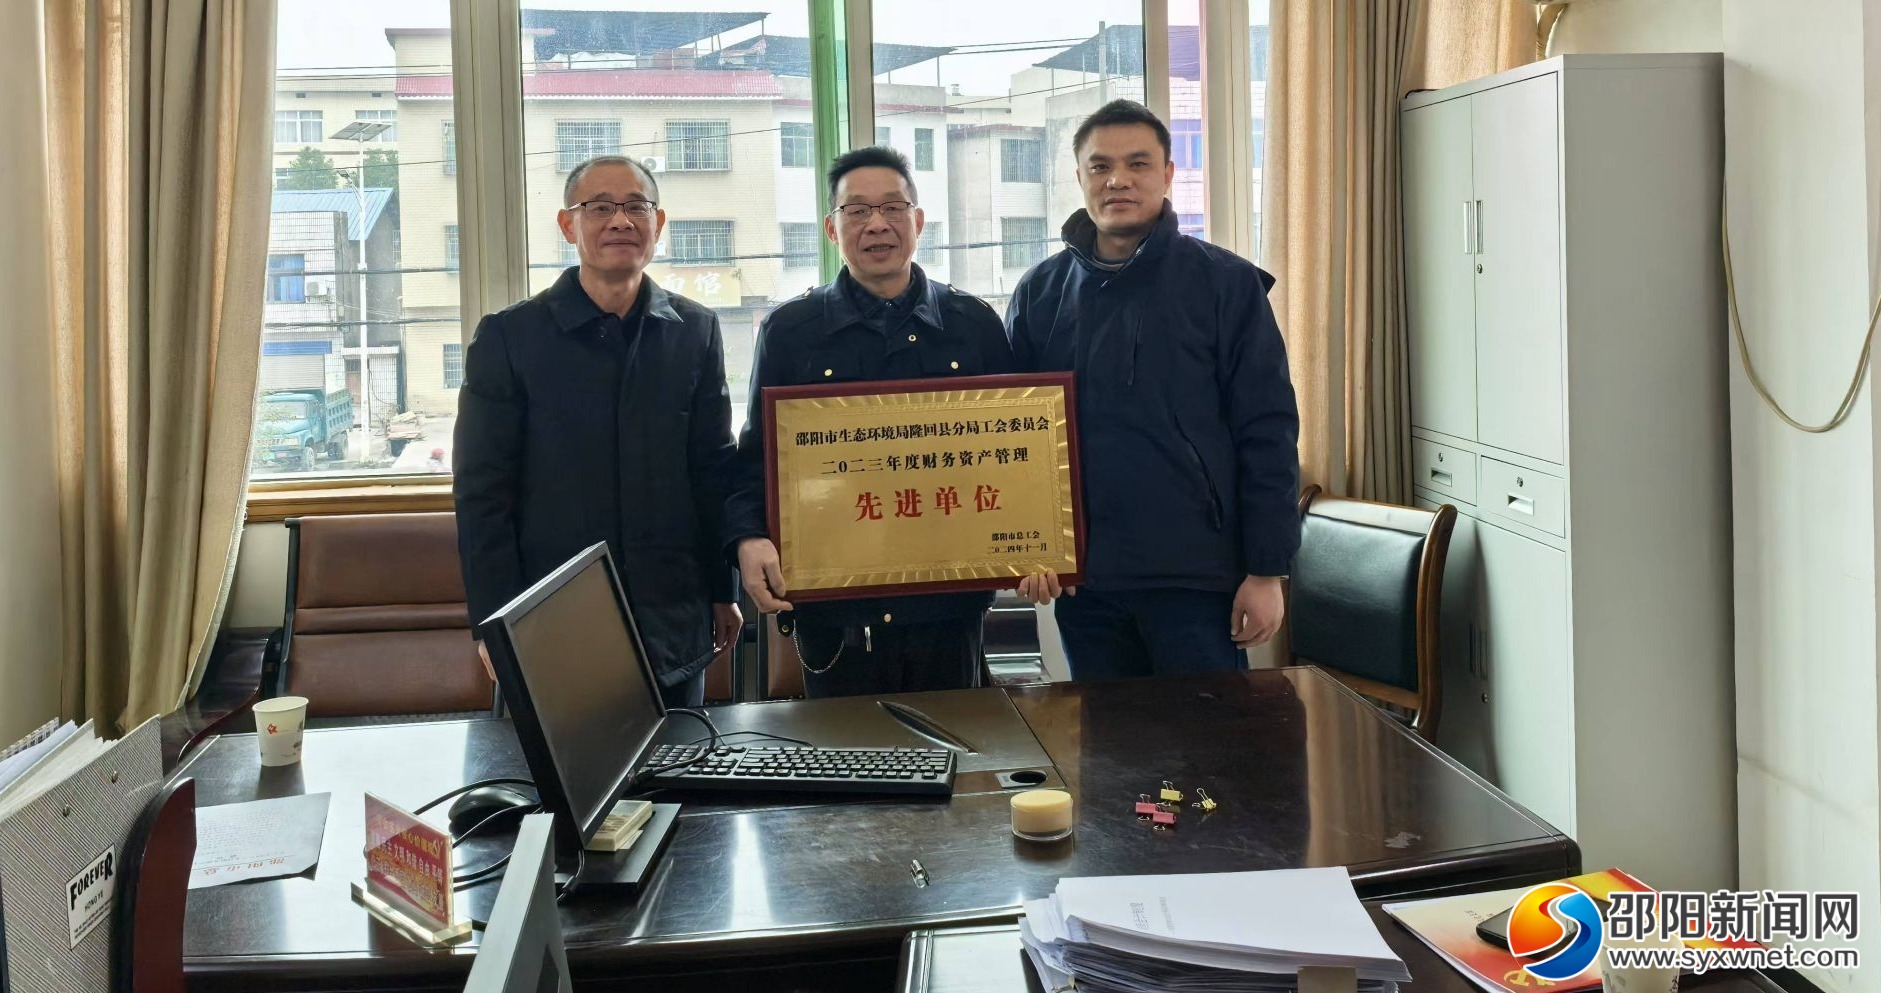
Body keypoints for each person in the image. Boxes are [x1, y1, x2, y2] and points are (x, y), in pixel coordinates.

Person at [1006, 99, 1300, 680]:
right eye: (1100, 166)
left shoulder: (1226, 284)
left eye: (1137, 164)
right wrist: (1026, 547)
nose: (1118, 179)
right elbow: (1014, 435)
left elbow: (1267, 430)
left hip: (1196, 578)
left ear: (1167, 174)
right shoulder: (1041, 292)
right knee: (1106, 737)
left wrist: (1268, 570)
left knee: (1207, 734)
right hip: (1085, 583)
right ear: (1080, 178)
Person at [724, 146, 1016, 697]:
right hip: (835, 613)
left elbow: (1016, 455)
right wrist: (748, 536)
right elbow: (755, 459)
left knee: (956, 745)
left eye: (893, 207)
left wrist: (1039, 545)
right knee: (845, 752)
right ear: (832, 229)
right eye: (857, 210)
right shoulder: (791, 331)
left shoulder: (973, 324)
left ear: (918, 221)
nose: (877, 223)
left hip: (948, 609)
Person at [454, 155, 741, 708]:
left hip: (672, 615)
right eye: (600, 208)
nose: (621, 221)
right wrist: (493, 619)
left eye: (637, 207)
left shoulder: (695, 331)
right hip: (552, 619)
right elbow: (481, 491)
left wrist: (720, 589)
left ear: (659, 223)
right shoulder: (510, 337)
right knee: (560, 765)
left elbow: (712, 469)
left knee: (680, 761)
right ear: (569, 225)